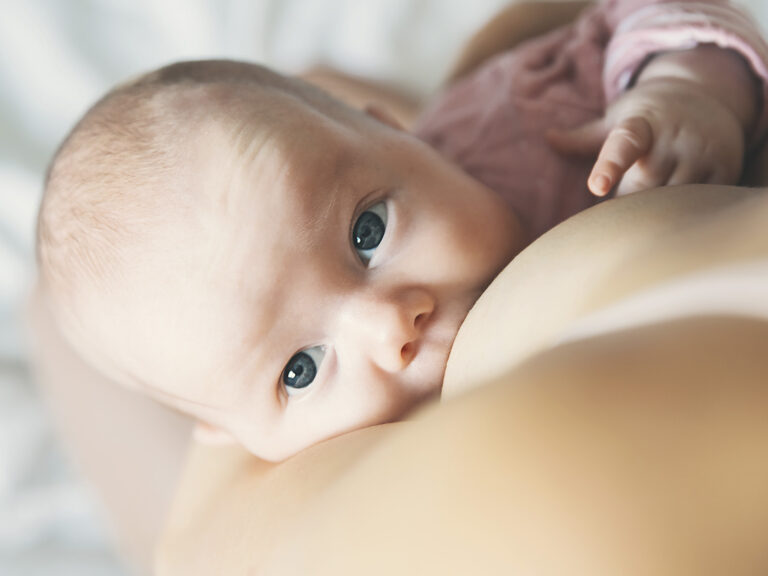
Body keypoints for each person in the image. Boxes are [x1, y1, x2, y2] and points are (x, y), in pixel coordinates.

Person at [35, 0, 768, 462]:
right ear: (232, 437)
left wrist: (683, 89)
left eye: (368, 231)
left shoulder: (526, 120)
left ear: (404, 138)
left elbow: (634, 18)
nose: (387, 327)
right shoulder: (367, 474)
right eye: (300, 371)